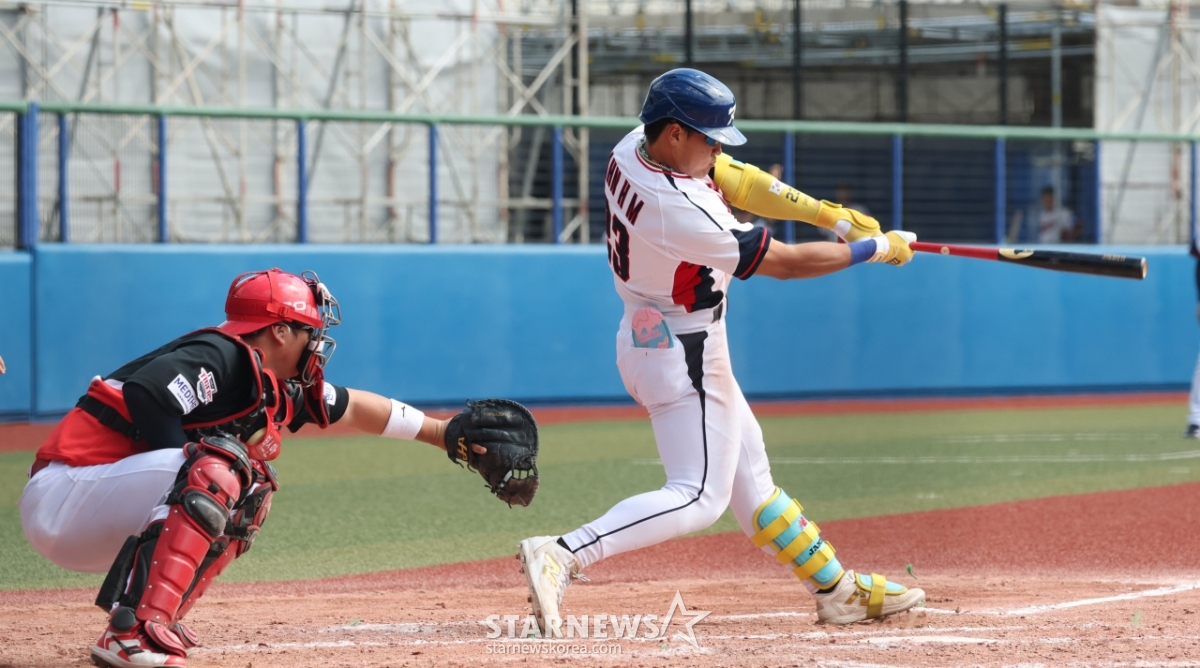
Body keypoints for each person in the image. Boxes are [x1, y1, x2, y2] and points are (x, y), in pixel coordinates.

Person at [516, 68, 924, 636]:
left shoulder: (633, 146)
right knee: (699, 496)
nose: (716, 151)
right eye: (709, 139)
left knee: (752, 480)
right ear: (675, 133)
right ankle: (563, 552)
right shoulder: (677, 205)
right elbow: (785, 264)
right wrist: (875, 249)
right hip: (686, 350)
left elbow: (735, 176)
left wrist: (829, 215)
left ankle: (837, 591)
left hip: (653, 334)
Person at [19, 268, 533, 668]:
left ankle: (150, 616)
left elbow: (354, 407)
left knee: (251, 487)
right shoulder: (222, 353)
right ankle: (132, 634)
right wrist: (187, 474)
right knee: (221, 466)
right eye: (310, 331)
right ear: (280, 331)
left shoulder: (269, 384)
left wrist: (441, 434)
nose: (318, 343)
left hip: (98, 509)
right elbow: (147, 393)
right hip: (65, 492)